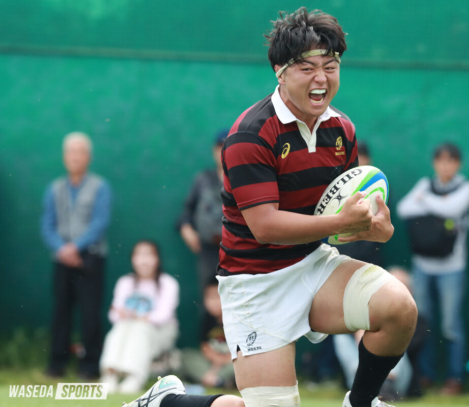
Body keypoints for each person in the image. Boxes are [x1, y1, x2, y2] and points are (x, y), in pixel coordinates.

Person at [127, 8, 417, 407]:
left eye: (330, 66)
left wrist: (373, 227)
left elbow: (337, 219)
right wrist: (340, 220)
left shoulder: (342, 130)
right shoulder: (249, 134)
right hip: (254, 285)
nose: (321, 78)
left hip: (313, 266)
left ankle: (362, 402)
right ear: (279, 71)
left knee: (399, 307)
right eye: (307, 68)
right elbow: (265, 226)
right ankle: (167, 401)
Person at [396, 142, 469, 394]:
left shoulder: (467, 187)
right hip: (422, 266)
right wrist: (438, 203)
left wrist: (425, 200)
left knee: (451, 325)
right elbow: (403, 208)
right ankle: (425, 375)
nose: (445, 166)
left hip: (452, 268)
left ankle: (455, 378)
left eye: (450, 160)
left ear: (458, 164)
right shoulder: (424, 183)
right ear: (434, 163)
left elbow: (453, 209)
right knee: (422, 322)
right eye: (440, 160)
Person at [40, 132, 112, 379]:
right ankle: (56, 364)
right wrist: (62, 248)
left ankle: (90, 366)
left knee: (90, 313)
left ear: (88, 157)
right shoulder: (54, 188)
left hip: (91, 259)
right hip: (62, 260)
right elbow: (47, 224)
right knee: (61, 312)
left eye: (80, 152)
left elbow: (100, 222)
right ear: (64, 157)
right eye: (71, 152)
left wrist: (76, 246)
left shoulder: (101, 187)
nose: (75, 157)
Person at [100, 241, 180, 394]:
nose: (144, 260)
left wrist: (135, 316)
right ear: (132, 259)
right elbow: (114, 315)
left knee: (140, 328)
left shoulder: (168, 283)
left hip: (160, 333)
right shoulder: (125, 282)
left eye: (149, 255)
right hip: (127, 329)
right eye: (139, 255)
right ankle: (110, 374)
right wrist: (127, 316)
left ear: (157, 259)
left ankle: (134, 377)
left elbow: (162, 317)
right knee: (120, 327)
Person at [334, 267, 413, 401]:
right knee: (341, 337)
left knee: (396, 340)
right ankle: (366, 386)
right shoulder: (368, 314)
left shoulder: (416, 318)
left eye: (400, 287)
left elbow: (411, 348)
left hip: (397, 381)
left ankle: (385, 386)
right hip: (361, 373)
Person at [177, 130, 227, 288]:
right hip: (207, 250)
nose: (223, 152)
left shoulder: (244, 178)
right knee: (209, 292)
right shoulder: (203, 179)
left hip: (239, 250)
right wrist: (186, 229)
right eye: (219, 148)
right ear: (213, 151)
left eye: (228, 147)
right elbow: (187, 210)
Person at [179, 278, 235, 389]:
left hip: (230, 362)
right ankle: (217, 381)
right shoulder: (207, 320)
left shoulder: (235, 319)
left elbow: (239, 351)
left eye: (218, 297)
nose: (213, 302)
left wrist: (220, 363)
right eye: (210, 297)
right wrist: (214, 366)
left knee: (242, 363)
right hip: (211, 363)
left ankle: (215, 379)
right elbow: (205, 348)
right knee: (187, 356)